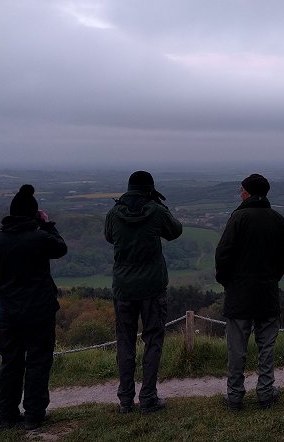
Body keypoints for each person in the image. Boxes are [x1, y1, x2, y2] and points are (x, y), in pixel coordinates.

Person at [0, 184, 68, 430]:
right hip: (39, 311)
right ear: (33, 214)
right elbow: (60, 248)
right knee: (38, 361)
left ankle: (7, 416)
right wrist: (46, 223)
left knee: (10, 363)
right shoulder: (39, 238)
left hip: (8, 313)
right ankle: (34, 414)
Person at [104, 171, 182, 414]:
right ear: (150, 189)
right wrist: (159, 206)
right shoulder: (156, 211)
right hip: (152, 287)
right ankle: (148, 397)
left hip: (124, 288)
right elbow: (175, 231)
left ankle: (125, 400)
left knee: (125, 342)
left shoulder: (114, 213)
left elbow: (108, 237)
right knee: (153, 340)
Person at [215, 174, 284, 410]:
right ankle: (265, 394)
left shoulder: (238, 218)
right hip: (267, 292)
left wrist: (226, 281)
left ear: (247, 193)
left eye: (241, 190)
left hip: (239, 294)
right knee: (266, 347)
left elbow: (223, 254)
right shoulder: (277, 219)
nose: (240, 193)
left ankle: (235, 396)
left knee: (237, 349)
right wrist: (271, 278)